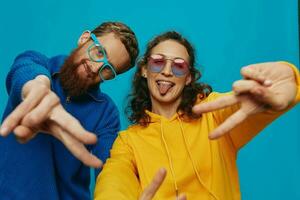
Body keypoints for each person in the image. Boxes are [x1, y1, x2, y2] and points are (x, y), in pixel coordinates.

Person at [94, 31, 299, 200]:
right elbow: (114, 180)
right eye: (157, 62)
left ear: (189, 77)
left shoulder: (213, 113)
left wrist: (288, 79)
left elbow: (250, 103)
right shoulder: (128, 142)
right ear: (144, 70)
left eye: (179, 65)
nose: (167, 71)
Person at [0, 22, 139, 200]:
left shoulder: (106, 113)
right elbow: (26, 71)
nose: (96, 68)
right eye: (99, 52)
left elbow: (109, 169)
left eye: (108, 69)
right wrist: (37, 88)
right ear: (84, 39)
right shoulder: (37, 63)